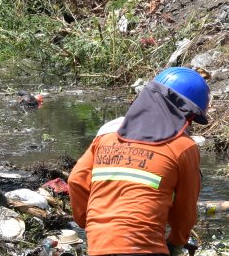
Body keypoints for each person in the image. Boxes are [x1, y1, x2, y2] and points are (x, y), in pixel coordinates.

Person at [69, 67, 209, 256]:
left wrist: (94, 225)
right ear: (187, 114)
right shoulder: (183, 146)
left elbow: (76, 180)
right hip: (145, 248)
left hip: (98, 246)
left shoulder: (107, 132)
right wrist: (176, 242)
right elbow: (186, 210)